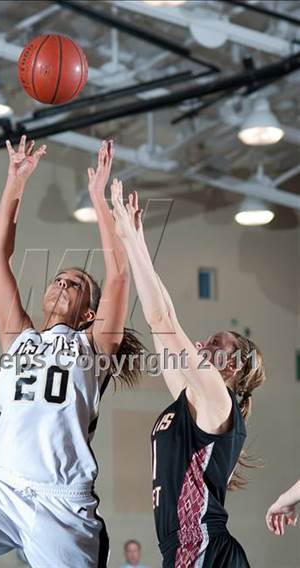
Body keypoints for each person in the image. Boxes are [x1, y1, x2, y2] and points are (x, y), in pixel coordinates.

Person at [0, 139, 144, 568]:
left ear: (90, 313)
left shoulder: (94, 348)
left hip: (62, 502)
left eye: (75, 283)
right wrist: (15, 182)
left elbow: (118, 274)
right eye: (58, 278)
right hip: (1, 487)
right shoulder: (19, 338)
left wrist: (98, 198)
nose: (62, 284)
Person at [110, 180, 267, 567]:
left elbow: (162, 318)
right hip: (186, 550)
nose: (201, 342)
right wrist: (137, 240)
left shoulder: (216, 397)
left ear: (230, 366)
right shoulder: (194, 397)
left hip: (205, 550)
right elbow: (163, 317)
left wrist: (130, 241)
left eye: (215, 342)